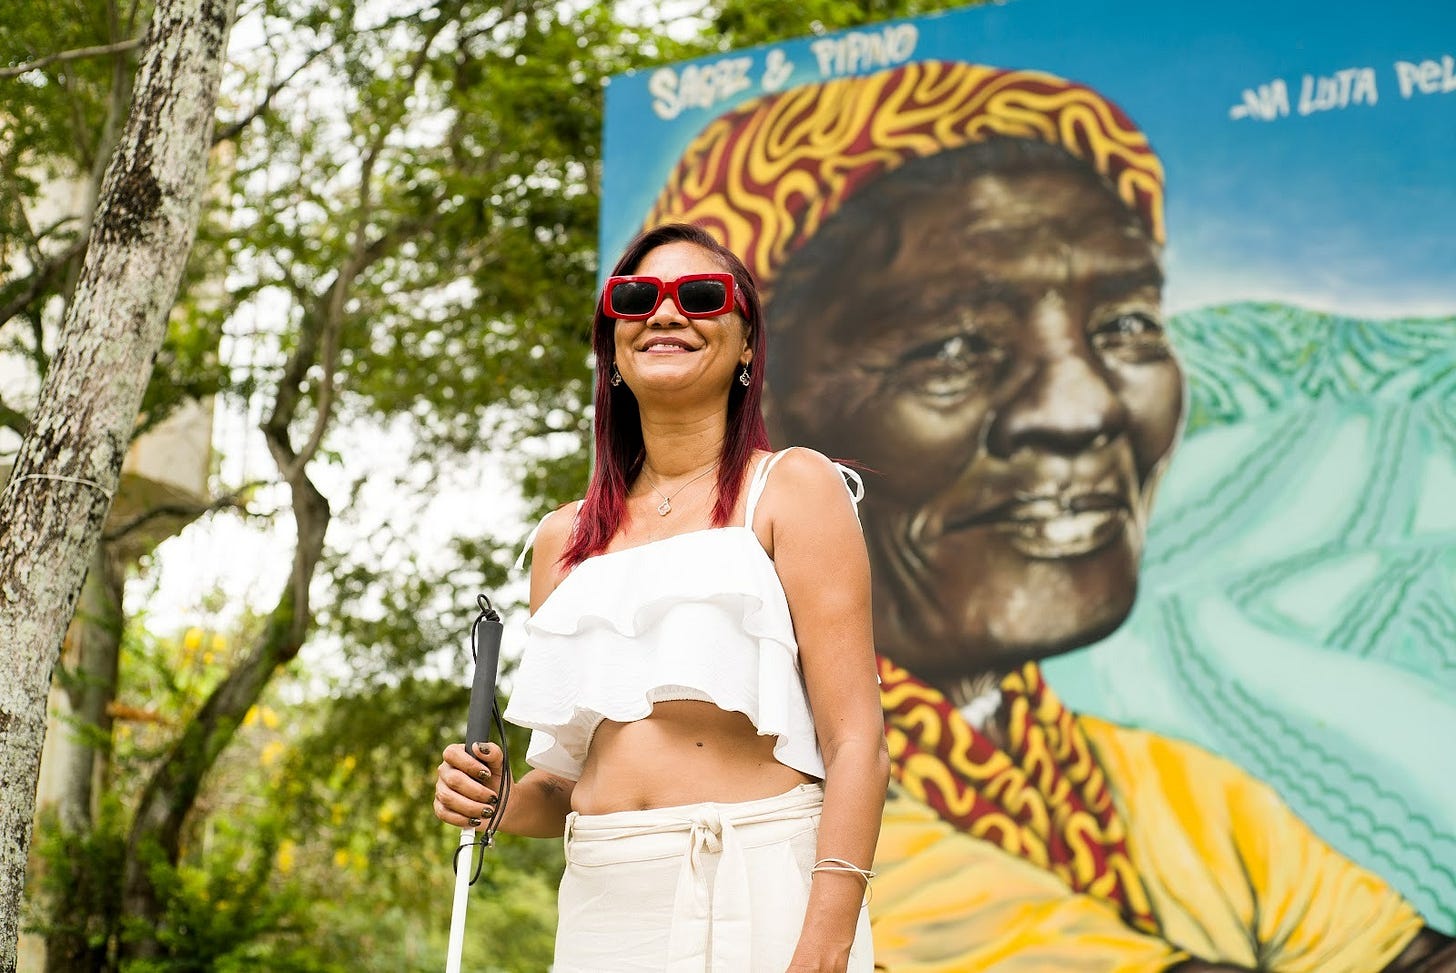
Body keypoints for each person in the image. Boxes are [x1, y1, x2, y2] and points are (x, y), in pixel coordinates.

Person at [639, 61, 1456, 971]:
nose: (1084, 408)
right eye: (952, 345)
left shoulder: (1153, 791)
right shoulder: (775, 786)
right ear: (772, 409)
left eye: (1125, 324)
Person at [433, 222, 888, 972]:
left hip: (761, 879)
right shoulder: (563, 539)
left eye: (702, 296)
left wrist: (826, 941)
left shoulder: (794, 489)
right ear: (611, 347)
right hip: (603, 901)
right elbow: (564, 783)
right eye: (636, 297)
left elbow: (856, 742)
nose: (667, 313)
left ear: (748, 346)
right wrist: (496, 798)